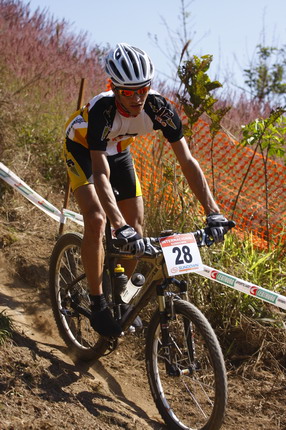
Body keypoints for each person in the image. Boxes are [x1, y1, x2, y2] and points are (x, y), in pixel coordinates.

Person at [64, 42, 229, 337]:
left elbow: (187, 161)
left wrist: (213, 212)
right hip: (83, 149)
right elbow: (100, 171)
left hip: (119, 150)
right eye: (128, 91)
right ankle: (98, 301)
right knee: (97, 219)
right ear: (114, 88)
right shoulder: (103, 110)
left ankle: (123, 298)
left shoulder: (158, 108)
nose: (137, 97)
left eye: (142, 88)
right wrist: (118, 224)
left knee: (137, 226)